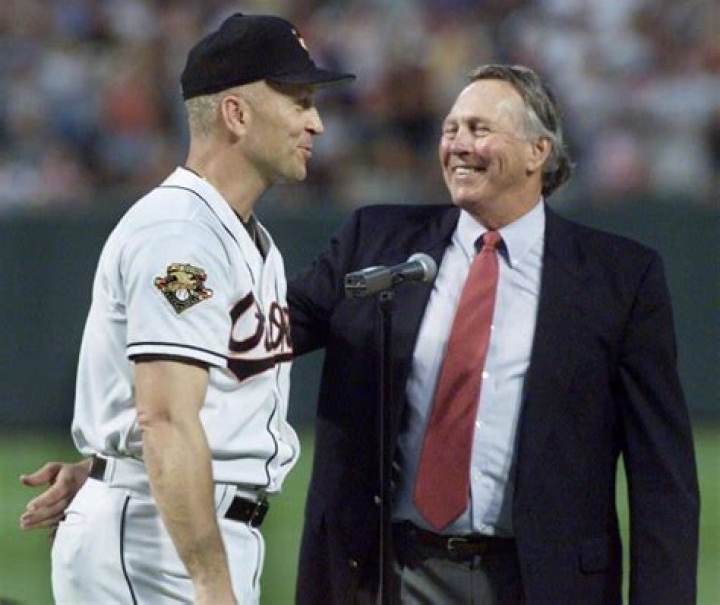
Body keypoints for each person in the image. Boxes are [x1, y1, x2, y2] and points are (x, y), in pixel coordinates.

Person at [21, 65, 699, 604]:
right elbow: (226, 351)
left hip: (539, 580)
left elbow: (661, 475)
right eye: (450, 128)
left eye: (479, 129)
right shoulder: (373, 240)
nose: (457, 144)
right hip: (389, 574)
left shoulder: (619, 278)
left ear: (537, 152)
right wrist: (118, 469)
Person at [18, 12, 353, 605]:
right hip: (159, 547)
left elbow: (195, 408)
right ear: (236, 114)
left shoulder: (240, 235)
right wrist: (210, 581)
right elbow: (166, 420)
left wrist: (107, 468)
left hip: (174, 526)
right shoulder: (181, 234)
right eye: (299, 101)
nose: (316, 122)